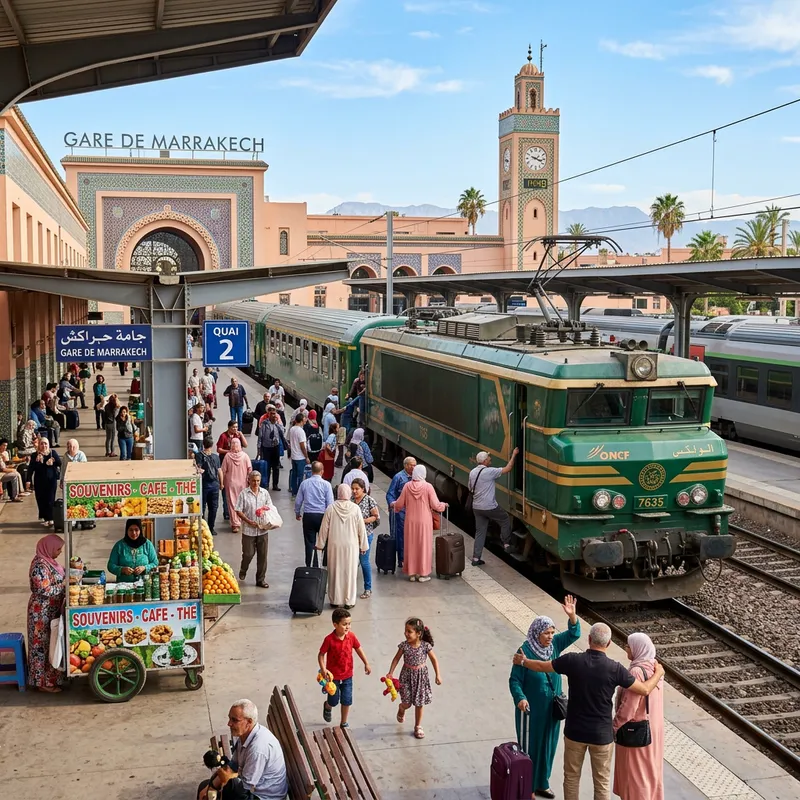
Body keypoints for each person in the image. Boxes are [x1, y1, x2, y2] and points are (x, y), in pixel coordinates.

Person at [512, 623, 665, 800]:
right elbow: (645, 689)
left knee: (571, 778)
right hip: (601, 736)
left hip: (574, 732)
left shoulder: (572, 660)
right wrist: (658, 673)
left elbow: (541, 666)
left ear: (589, 639)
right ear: (608, 644)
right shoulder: (615, 668)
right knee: (601, 782)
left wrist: (523, 661)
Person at [509, 598, 581, 799]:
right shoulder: (524, 651)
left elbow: (575, 633)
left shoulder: (555, 645)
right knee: (530, 747)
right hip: (531, 711)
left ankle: (543, 783)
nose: (550, 637)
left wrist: (572, 615)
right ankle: (529, 786)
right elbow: (514, 680)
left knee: (548, 746)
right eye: (546, 633)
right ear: (536, 633)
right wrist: (520, 698)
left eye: (552, 632)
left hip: (552, 709)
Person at [198, 700, 288, 800]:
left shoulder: (257, 750)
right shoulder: (245, 735)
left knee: (230, 787)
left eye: (234, 720)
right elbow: (233, 765)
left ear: (249, 722)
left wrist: (219, 790)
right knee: (204, 786)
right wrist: (211, 787)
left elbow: (244, 787)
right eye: (229, 718)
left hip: (263, 797)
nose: (229, 723)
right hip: (251, 787)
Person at [613, 633, 664, 800]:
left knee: (635, 775)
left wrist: (615, 726)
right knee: (649, 772)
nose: (626, 648)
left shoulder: (636, 671)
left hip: (634, 731)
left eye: (629, 646)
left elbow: (629, 706)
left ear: (637, 649)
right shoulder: (655, 667)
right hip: (653, 730)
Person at [387, 617, 442, 741]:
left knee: (419, 703)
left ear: (418, 634)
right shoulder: (404, 646)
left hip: (421, 677)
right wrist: (391, 672)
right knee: (407, 702)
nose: (406, 634)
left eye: (409, 632)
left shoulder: (425, 646)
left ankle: (418, 726)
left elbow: (434, 659)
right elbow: (396, 659)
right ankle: (402, 708)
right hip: (406, 676)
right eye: (405, 631)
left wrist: (438, 674)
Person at [315, 484, 368, 609]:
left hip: (334, 545)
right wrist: (363, 545)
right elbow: (361, 529)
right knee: (350, 572)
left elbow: (324, 529)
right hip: (351, 545)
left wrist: (320, 544)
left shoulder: (331, 508)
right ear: (349, 493)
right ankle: (349, 601)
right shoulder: (355, 508)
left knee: (334, 571)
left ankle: (335, 599)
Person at [390, 464, 445, 583]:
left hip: (410, 520)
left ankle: (412, 573)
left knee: (411, 545)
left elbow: (399, 503)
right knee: (423, 546)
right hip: (424, 521)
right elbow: (436, 505)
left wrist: (394, 504)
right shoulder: (428, 487)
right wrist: (443, 506)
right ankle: (423, 574)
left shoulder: (407, 486)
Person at [318, 608, 372, 728]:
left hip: (347, 675)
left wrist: (366, 663)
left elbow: (358, 649)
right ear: (335, 624)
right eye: (344, 624)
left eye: (349, 624)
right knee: (334, 700)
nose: (348, 627)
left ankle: (343, 722)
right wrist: (323, 669)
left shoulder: (351, 637)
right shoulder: (329, 640)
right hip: (333, 678)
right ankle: (327, 706)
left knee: (347, 700)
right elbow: (321, 654)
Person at [27, 534, 66, 692]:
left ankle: (52, 678)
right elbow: (46, 589)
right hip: (40, 613)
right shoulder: (39, 566)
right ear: (48, 548)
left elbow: (60, 573)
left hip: (51, 610)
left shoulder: (50, 562)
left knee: (52, 642)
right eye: (58, 549)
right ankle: (42, 683)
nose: (60, 552)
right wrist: (64, 587)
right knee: (40, 646)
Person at [468, 449, 518, 566]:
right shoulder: (490, 472)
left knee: (480, 532)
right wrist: (514, 455)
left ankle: (476, 558)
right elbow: (508, 468)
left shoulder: (472, 472)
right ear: (485, 461)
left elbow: (470, 488)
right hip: (489, 507)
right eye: (489, 458)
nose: (490, 459)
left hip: (477, 507)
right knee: (504, 519)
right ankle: (506, 544)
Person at [234, 470, 272, 588]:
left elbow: (270, 506)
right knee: (248, 554)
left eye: (258, 481)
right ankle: (243, 569)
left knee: (263, 556)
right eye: (253, 481)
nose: (256, 483)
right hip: (248, 530)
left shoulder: (264, 493)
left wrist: (265, 511)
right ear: (249, 481)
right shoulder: (244, 494)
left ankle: (260, 579)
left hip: (262, 530)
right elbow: (238, 510)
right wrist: (248, 521)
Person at [295, 461, 334, 568]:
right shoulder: (327, 485)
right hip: (322, 517)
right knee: (323, 541)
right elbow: (330, 504)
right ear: (322, 471)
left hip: (308, 516)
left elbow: (298, 501)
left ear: (312, 471)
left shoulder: (304, 483)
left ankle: (309, 564)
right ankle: (321, 563)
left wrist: (298, 513)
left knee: (309, 542)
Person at [350, 478, 379, 600]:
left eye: (357, 489)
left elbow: (376, 516)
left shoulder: (369, 500)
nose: (354, 491)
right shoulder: (350, 501)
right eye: (353, 489)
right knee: (352, 561)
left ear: (363, 489)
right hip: (352, 535)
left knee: (364, 561)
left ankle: (368, 588)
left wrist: (363, 521)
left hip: (366, 535)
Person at [386, 456, 416, 568]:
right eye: (412, 465)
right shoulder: (398, 477)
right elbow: (390, 493)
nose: (414, 467)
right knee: (401, 535)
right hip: (401, 512)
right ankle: (402, 559)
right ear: (406, 465)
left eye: (415, 465)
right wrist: (392, 504)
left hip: (412, 511)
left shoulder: (416, 478)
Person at [217, 421, 248, 521]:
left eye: (236, 427)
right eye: (234, 427)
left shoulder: (237, 435)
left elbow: (245, 445)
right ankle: (227, 513)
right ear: (229, 427)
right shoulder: (223, 436)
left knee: (238, 494)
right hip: (226, 463)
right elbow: (219, 449)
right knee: (228, 494)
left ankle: (238, 515)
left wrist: (241, 435)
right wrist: (230, 451)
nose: (235, 429)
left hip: (238, 469)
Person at [221, 439, 252, 535]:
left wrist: (221, 483)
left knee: (232, 503)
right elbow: (250, 470)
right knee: (242, 502)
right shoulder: (245, 456)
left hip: (230, 483)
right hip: (242, 483)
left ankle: (235, 524)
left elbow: (223, 470)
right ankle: (241, 520)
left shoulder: (227, 456)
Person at [29, 438, 61, 526]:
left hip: (51, 481)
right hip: (39, 481)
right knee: (41, 499)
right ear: (39, 445)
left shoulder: (52, 453)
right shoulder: (35, 455)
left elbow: (59, 463)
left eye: (46, 444)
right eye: (42, 444)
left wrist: (53, 461)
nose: (44, 446)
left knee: (50, 499)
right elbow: (31, 468)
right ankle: (45, 517)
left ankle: (51, 518)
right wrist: (28, 481)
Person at [197, 435, 223, 535]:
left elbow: (198, 469)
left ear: (203, 444)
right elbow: (220, 471)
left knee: (202, 507)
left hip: (204, 485)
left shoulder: (199, 455)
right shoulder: (216, 457)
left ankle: (202, 528)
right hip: (215, 485)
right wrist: (221, 484)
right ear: (212, 445)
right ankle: (211, 528)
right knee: (213, 508)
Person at [257, 408, 285, 490]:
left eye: (274, 413)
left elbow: (283, 432)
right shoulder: (264, 424)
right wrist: (259, 449)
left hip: (275, 447)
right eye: (271, 413)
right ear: (268, 414)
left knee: (276, 467)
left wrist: (278, 424)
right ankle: (266, 484)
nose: (273, 415)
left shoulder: (278, 424)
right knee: (267, 467)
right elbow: (260, 437)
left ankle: (275, 484)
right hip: (266, 448)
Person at [287, 414, 310, 498]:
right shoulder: (301, 431)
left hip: (294, 456)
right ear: (301, 420)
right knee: (300, 476)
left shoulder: (292, 429)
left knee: (294, 474)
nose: (305, 421)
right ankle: (300, 493)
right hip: (300, 457)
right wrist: (306, 457)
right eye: (304, 419)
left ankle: (294, 492)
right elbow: (302, 446)